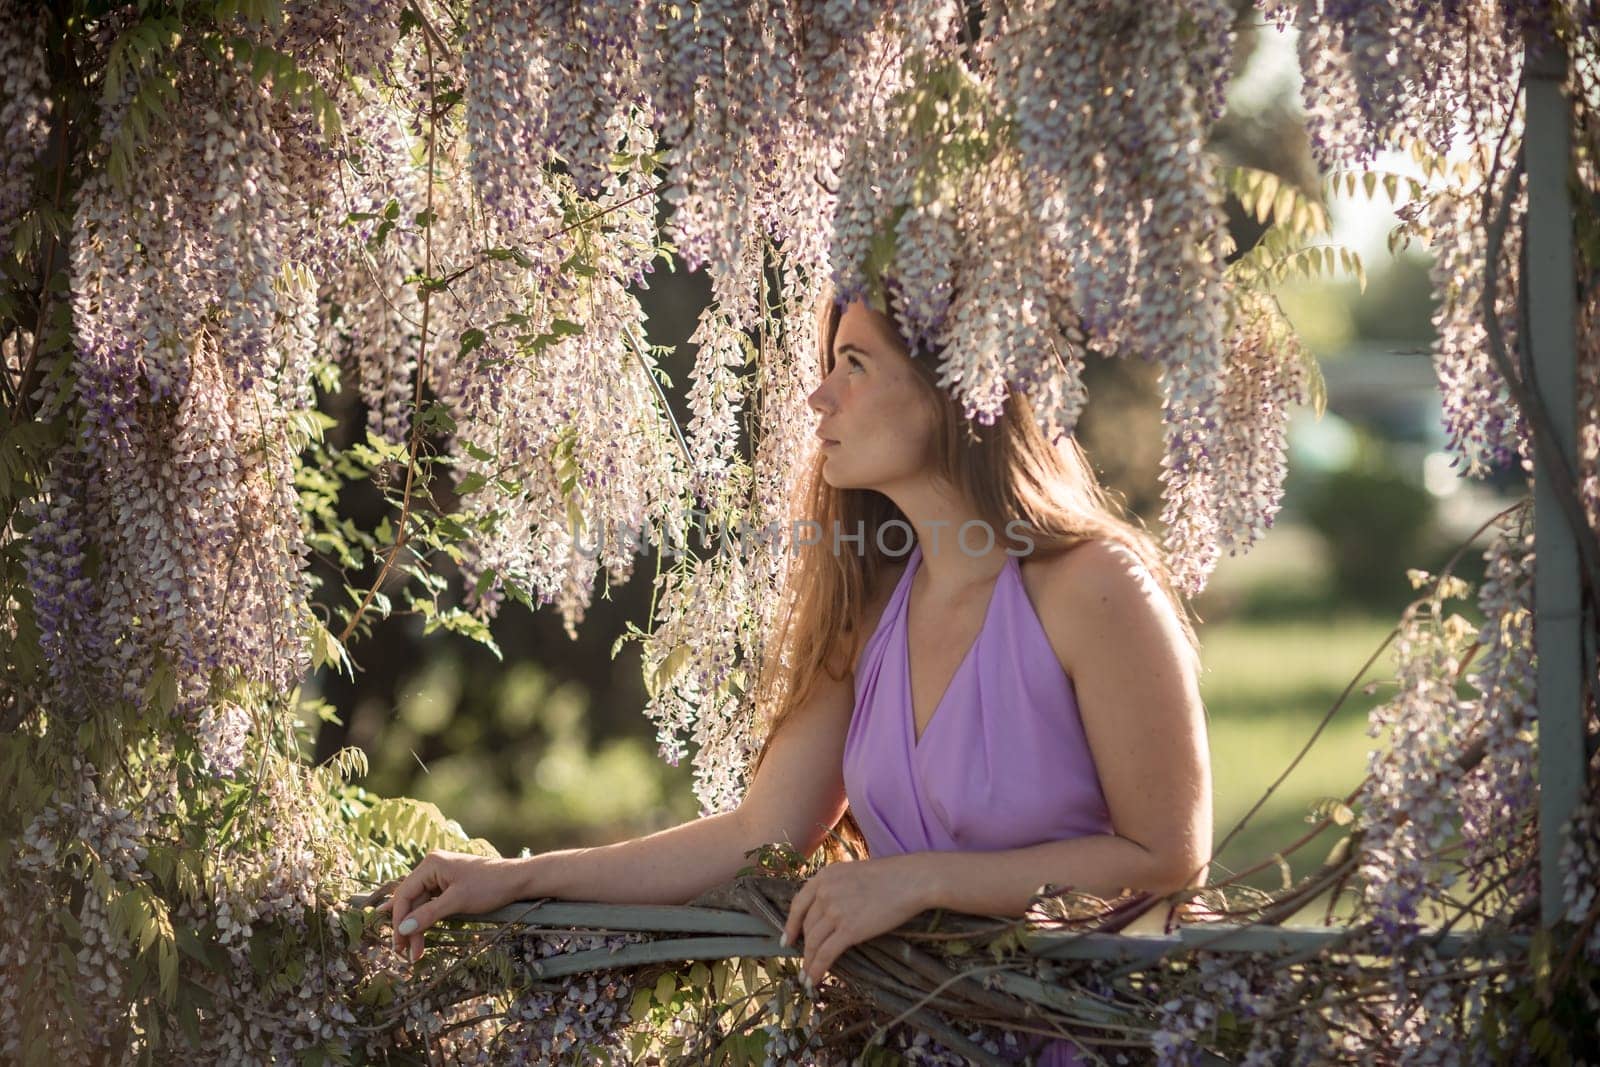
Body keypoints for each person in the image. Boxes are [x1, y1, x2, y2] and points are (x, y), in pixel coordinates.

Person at [379, 290, 1213, 1063]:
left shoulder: (1092, 583)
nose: (820, 397)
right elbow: (755, 835)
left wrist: (920, 880)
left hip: (1086, 1034)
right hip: (912, 1037)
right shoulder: (872, 604)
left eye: (856, 364)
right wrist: (516, 875)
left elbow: (1170, 858)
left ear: (956, 384)